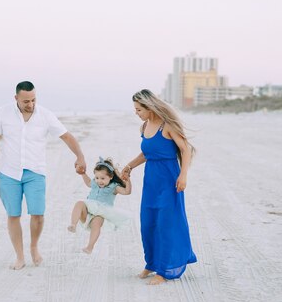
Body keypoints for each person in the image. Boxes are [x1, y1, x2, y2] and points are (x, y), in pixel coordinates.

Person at [0, 81, 86, 270]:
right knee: (13, 215)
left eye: (33, 100)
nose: (30, 104)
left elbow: (66, 136)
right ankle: (20, 256)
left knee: (38, 214)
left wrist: (80, 156)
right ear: (16, 98)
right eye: (25, 101)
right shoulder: (3, 112)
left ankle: (33, 247)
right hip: (9, 173)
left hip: (35, 172)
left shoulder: (45, 115)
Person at [121, 89, 197, 285]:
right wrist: (129, 166)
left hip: (170, 181)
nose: (136, 113)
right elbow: (147, 154)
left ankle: (164, 271)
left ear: (149, 107)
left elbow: (185, 149)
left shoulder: (167, 126)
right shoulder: (144, 127)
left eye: (138, 109)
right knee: (148, 223)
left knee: (166, 225)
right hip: (151, 183)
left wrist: (183, 175)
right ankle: (151, 263)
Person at [68, 157, 132, 254]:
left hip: (101, 213)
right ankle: (73, 224)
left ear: (110, 177)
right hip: (88, 212)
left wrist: (127, 181)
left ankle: (90, 246)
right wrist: (83, 174)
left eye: (103, 178)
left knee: (97, 222)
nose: (99, 181)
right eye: (97, 178)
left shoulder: (114, 187)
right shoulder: (94, 183)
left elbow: (127, 192)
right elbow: (89, 182)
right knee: (79, 203)